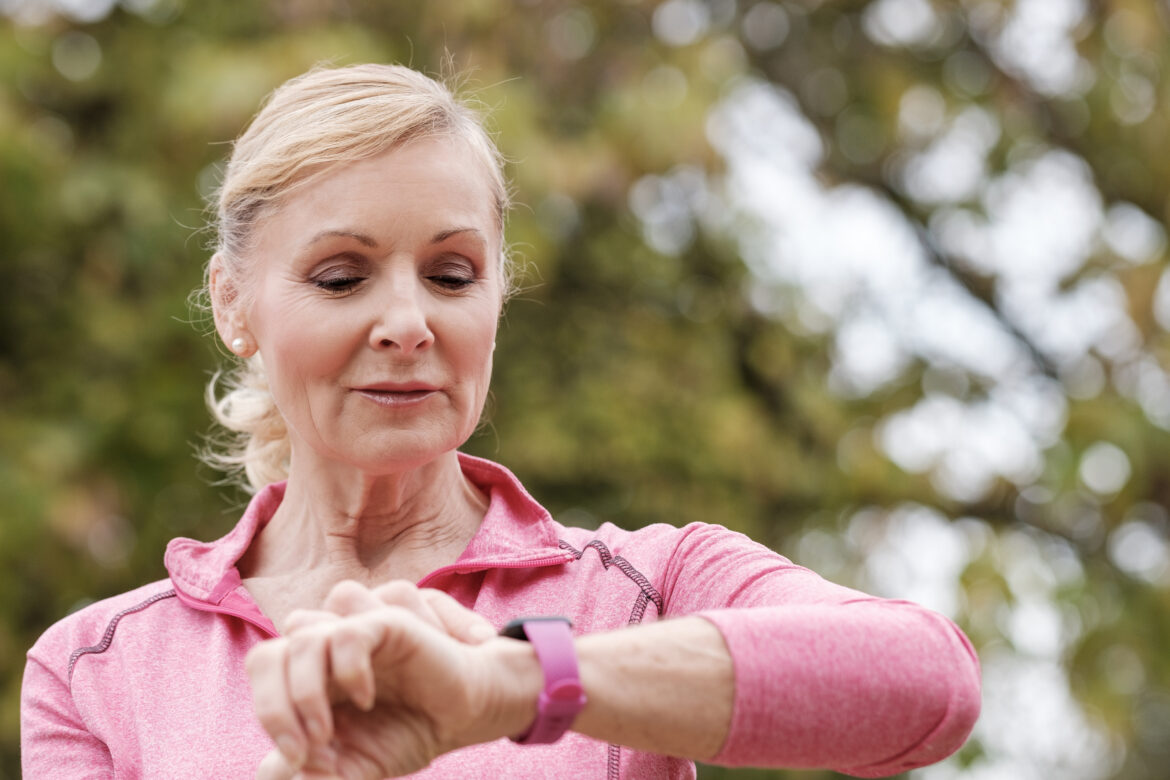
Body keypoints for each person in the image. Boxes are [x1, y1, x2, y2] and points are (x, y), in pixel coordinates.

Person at [21, 63, 980, 779]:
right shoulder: (95, 670)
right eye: (342, 277)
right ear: (234, 304)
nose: (408, 323)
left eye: (452, 275)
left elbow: (927, 684)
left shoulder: (643, 587)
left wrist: (511, 685)